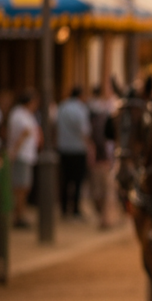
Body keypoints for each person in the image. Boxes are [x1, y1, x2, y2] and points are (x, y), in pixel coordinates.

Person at [7, 90, 41, 228]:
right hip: (21, 155)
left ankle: (21, 214)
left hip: (26, 155)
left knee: (24, 186)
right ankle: (18, 216)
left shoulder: (24, 114)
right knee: (21, 186)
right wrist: (14, 152)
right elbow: (23, 133)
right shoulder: (19, 114)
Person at [56, 86, 90, 218]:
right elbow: (84, 130)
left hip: (63, 148)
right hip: (78, 149)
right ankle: (75, 209)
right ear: (80, 96)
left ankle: (64, 209)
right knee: (77, 181)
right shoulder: (81, 109)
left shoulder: (62, 107)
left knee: (65, 179)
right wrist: (89, 145)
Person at [87, 85, 114, 229]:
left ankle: (103, 218)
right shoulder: (103, 114)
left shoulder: (89, 112)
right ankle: (104, 218)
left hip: (96, 156)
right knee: (103, 190)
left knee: (98, 189)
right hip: (101, 157)